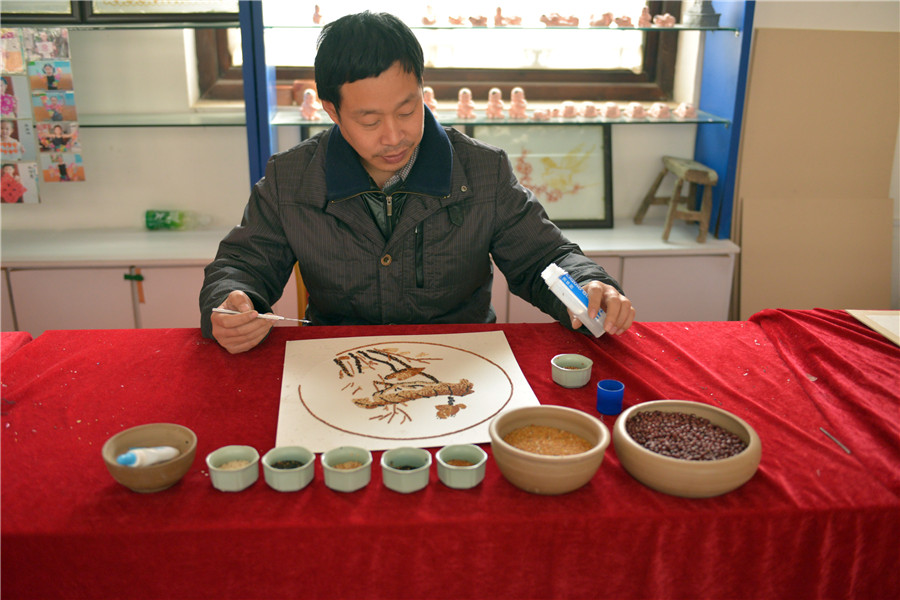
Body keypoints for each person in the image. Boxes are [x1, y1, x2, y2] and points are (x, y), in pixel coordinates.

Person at [200, 11, 635, 354]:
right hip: (339, 361)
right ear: (332, 110)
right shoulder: (292, 179)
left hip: (462, 362)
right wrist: (232, 300)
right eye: (369, 120)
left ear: (423, 91)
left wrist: (589, 285)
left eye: (408, 111)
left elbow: (544, 257)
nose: (394, 136)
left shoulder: (482, 171)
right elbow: (242, 264)